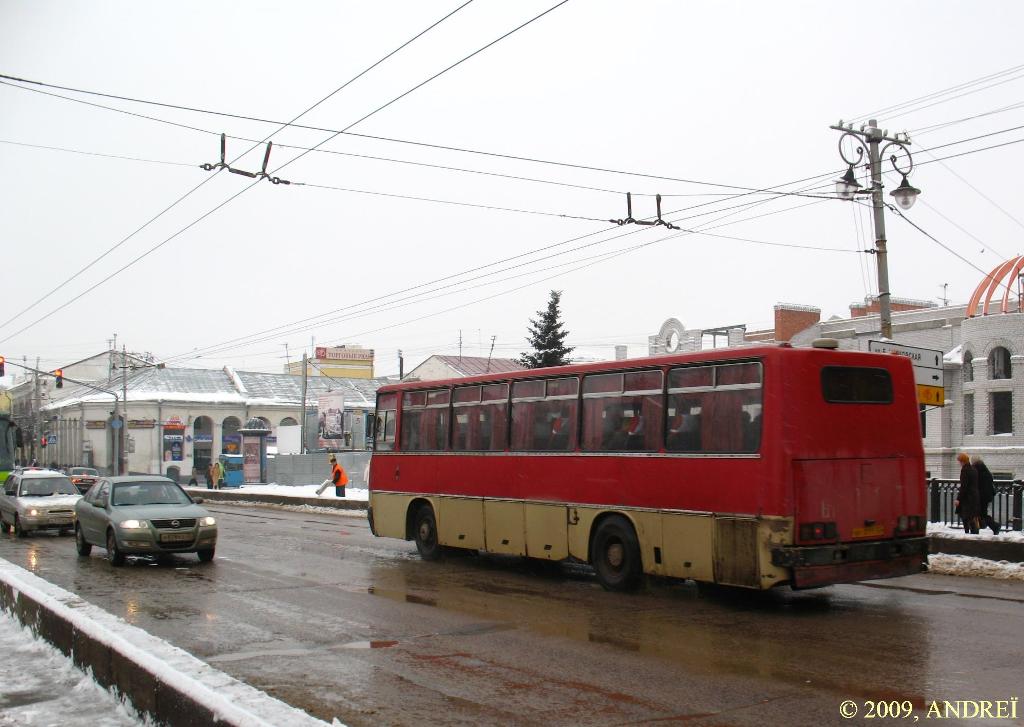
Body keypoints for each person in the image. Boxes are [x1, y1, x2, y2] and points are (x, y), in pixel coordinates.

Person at [971, 455, 1000, 535]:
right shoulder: (984, 469)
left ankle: (994, 526)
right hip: (986, 496)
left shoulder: (977, 470)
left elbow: (976, 484)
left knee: (979, 514)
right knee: (980, 513)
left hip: (980, 496)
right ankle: (979, 527)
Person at [954, 452, 981, 535]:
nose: (959, 463)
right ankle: (974, 531)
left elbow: (964, 486)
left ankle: (968, 532)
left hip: (967, 497)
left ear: (962, 461)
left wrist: (958, 499)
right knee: (972, 515)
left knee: (965, 516)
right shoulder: (973, 469)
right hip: (975, 496)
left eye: (959, 461)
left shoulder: (965, 470)